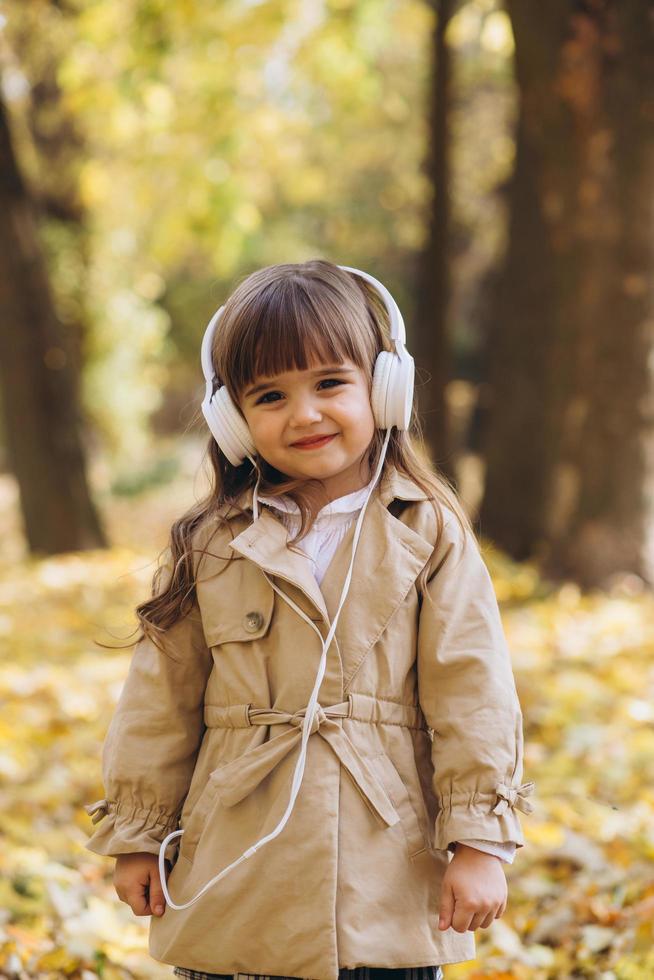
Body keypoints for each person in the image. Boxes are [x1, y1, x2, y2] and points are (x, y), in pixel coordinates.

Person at [83, 259, 536, 980]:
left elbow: (471, 689)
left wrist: (480, 842)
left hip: (385, 863)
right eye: (270, 395)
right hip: (235, 860)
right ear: (232, 418)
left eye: (330, 383)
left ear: (384, 388)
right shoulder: (214, 542)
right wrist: (139, 835)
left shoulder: (428, 529)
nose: (306, 414)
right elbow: (158, 701)